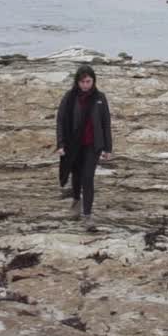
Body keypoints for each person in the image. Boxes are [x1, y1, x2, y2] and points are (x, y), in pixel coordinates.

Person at [55, 65, 113, 230]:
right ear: (77, 82)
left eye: (88, 81)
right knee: (76, 175)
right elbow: (60, 121)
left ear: (93, 81)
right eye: (82, 82)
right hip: (74, 144)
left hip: (93, 145)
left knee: (88, 178)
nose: (85, 85)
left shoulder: (100, 98)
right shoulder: (69, 97)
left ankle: (87, 216)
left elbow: (106, 123)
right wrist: (60, 144)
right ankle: (76, 201)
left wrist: (108, 148)